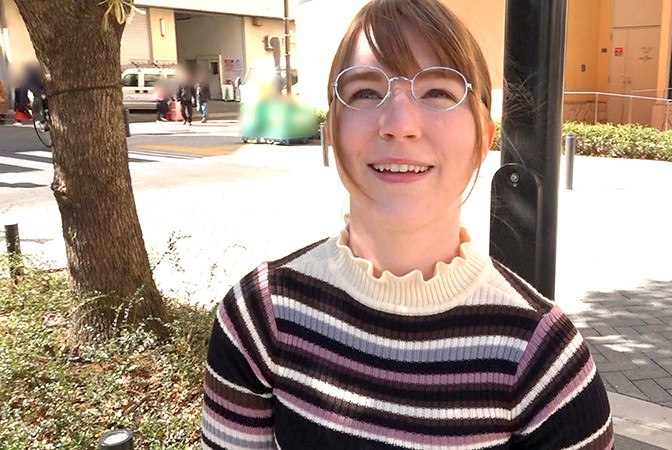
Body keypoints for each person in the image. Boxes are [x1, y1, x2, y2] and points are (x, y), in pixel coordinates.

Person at [200, 1, 613, 449]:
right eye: (365, 92)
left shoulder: (546, 361)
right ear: (332, 130)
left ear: (483, 137)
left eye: (437, 92)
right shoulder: (261, 316)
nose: (399, 125)